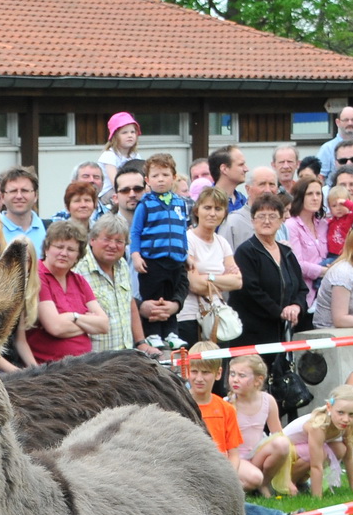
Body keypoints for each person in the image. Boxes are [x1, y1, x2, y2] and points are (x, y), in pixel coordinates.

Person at [230, 192, 308, 367]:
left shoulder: (286, 252)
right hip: (253, 334)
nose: (267, 221)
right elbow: (250, 291)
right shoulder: (246, 251)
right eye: (261, 216)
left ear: (281, 221)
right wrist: (279, 312)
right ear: (252, 221)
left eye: (272, 216)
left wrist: (296, 307)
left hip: (282, 333)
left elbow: (301, 288)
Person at [129, 153, 189, 344]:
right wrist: (136, 255)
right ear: (147, 180)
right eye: (155, 176)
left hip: (175, 259)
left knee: (171, 297)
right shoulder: (145, 204)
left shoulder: (180, 203)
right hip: (152, 258)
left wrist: (186, 254)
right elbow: (135, 232)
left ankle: (171, 333)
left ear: (173, 177)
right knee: (153, 296)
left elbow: (182, 231)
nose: (160, 179)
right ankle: (153, 333)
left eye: (165, 174)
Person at [185, 344, 263, 492]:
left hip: (219, 472)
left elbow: (234, 454)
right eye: (194, 371)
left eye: (206, 372)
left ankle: (281, 514)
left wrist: (229, 479)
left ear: (218, 373)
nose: (199, 378)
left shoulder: (226, 409)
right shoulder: (180, 405)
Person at [27, 220, 107, 362]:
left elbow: (104, 325)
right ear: (46, 248)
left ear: (78, 255)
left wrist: (74, 317)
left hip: (83, 366)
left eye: (71, 250)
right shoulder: (38, 276)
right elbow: (55, 327)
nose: (64, 253)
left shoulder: (79, 281)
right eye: (59, 247)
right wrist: (88, 324)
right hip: (51, 369)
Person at [180, 187, 242, 346]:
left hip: (217, 316)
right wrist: (223, 280)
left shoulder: (222, 242)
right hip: (190, 317)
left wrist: (207, 277)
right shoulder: (187, 240)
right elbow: (194, 284)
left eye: (218, 209)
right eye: (207, 208)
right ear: (197, 210)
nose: (212, 213)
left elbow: (237, 282)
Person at [227, 354, 292, 495]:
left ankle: (264, 483)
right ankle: (251, 483)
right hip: (236, 457)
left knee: (282, 443)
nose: (235, 379)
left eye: (241, 375)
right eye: (232, 374)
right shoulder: (227, 404)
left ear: (258, 380)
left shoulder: (268, 400)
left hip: (257, 453)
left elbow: (277, 433)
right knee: (253, 477)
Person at [283, 386, 353, 496]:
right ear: (329, 407)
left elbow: (349, 457)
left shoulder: (346, 425)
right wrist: (317, 498)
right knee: (322, 453)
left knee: (340, 449)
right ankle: (286, 482)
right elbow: (316, 465)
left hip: (299, 452)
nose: (346, 419)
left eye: (351, 414)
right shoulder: (319, 425)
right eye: (340, 412)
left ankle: (300, 481)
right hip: (282, 454)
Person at [78, 214, 139, 353]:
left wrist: (140, 341)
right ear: (92, 240)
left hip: (125, 357)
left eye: (119, 241)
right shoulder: (78, 269)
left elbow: (130, 304)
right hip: (94, 361)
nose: (112, 245)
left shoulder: (123, 265)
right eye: (107, 239)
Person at [284, 174, 329, 304]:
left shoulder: (324, 224)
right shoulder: (291, 225)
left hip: (326, 295)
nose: (315, 198)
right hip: (303, 296)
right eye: (309, 194)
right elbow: (296, 264)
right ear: (300, 196)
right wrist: (325, 271)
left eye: (318, 194)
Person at [0, 166, 44, 248]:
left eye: (24, 190)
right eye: (13, 191)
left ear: (35, 196)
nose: (19, 196)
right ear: (2, 197)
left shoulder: (47, 229)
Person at [317, 106, 353, 180]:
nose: (350, 123)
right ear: (338, 122)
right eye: (346, 120)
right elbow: (320, 177)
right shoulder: (327, 149)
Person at [325, 185, 353, 258]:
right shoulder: (330, 220)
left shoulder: (351, 218)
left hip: (346, 254)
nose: (338, 208)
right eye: (334, 206)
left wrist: (347, 203)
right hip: (331, 254)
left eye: (341, 205)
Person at [97, 112, 141, 181]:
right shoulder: (109, 155)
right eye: (124, 132)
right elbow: (115, 183)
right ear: (115, 137)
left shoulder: (134, 155)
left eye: (132, 132)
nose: (130, 135)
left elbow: (141, 176)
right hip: (111, 191)